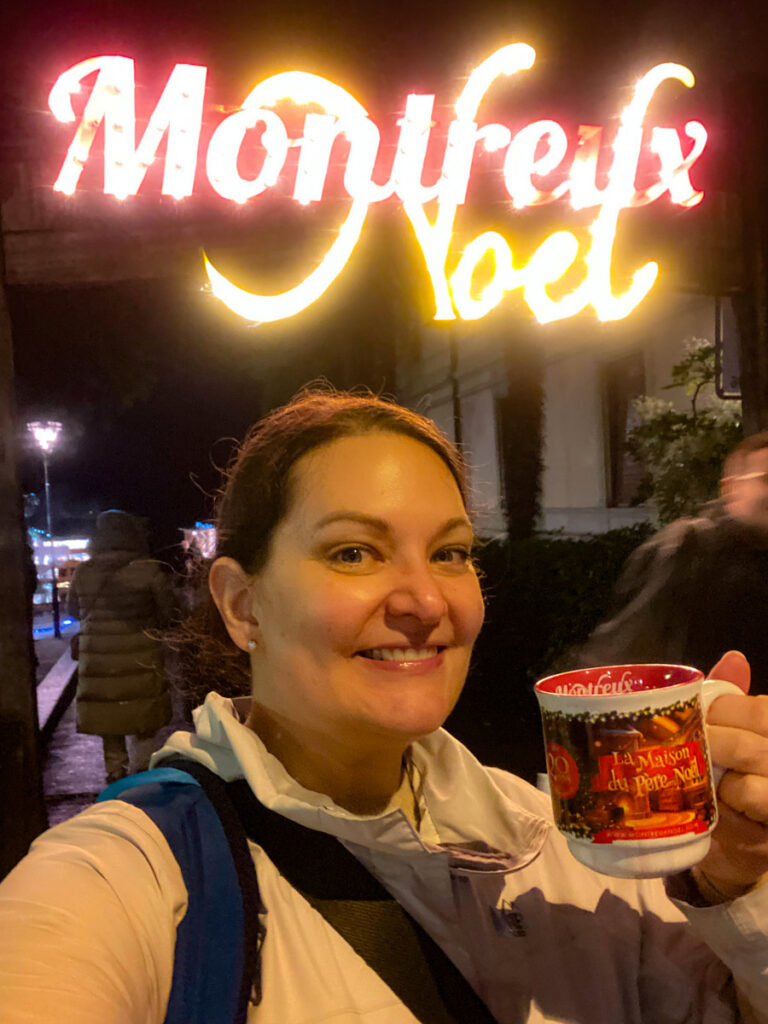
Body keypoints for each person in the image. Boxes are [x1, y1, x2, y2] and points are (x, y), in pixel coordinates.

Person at [1, 387, 768, 1023]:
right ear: (242, 606)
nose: (425, 599)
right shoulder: (133, 876)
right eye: (353, 553)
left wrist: (735, 887)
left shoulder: (554, 847)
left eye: (450, 552)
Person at [575, 432, 768, 691]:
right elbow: (628, 655)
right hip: (696, 723)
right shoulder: (688, 549)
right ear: (730, 488)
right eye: (766, 479)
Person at [67, 509, 175, 782]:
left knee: (109, 721)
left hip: (100, 662)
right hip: (141, 657)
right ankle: (142, 771)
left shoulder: (83, 571)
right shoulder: (149, 569)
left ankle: (115, 772)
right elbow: (168, 613)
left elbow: (73, 611)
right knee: (144, 723)